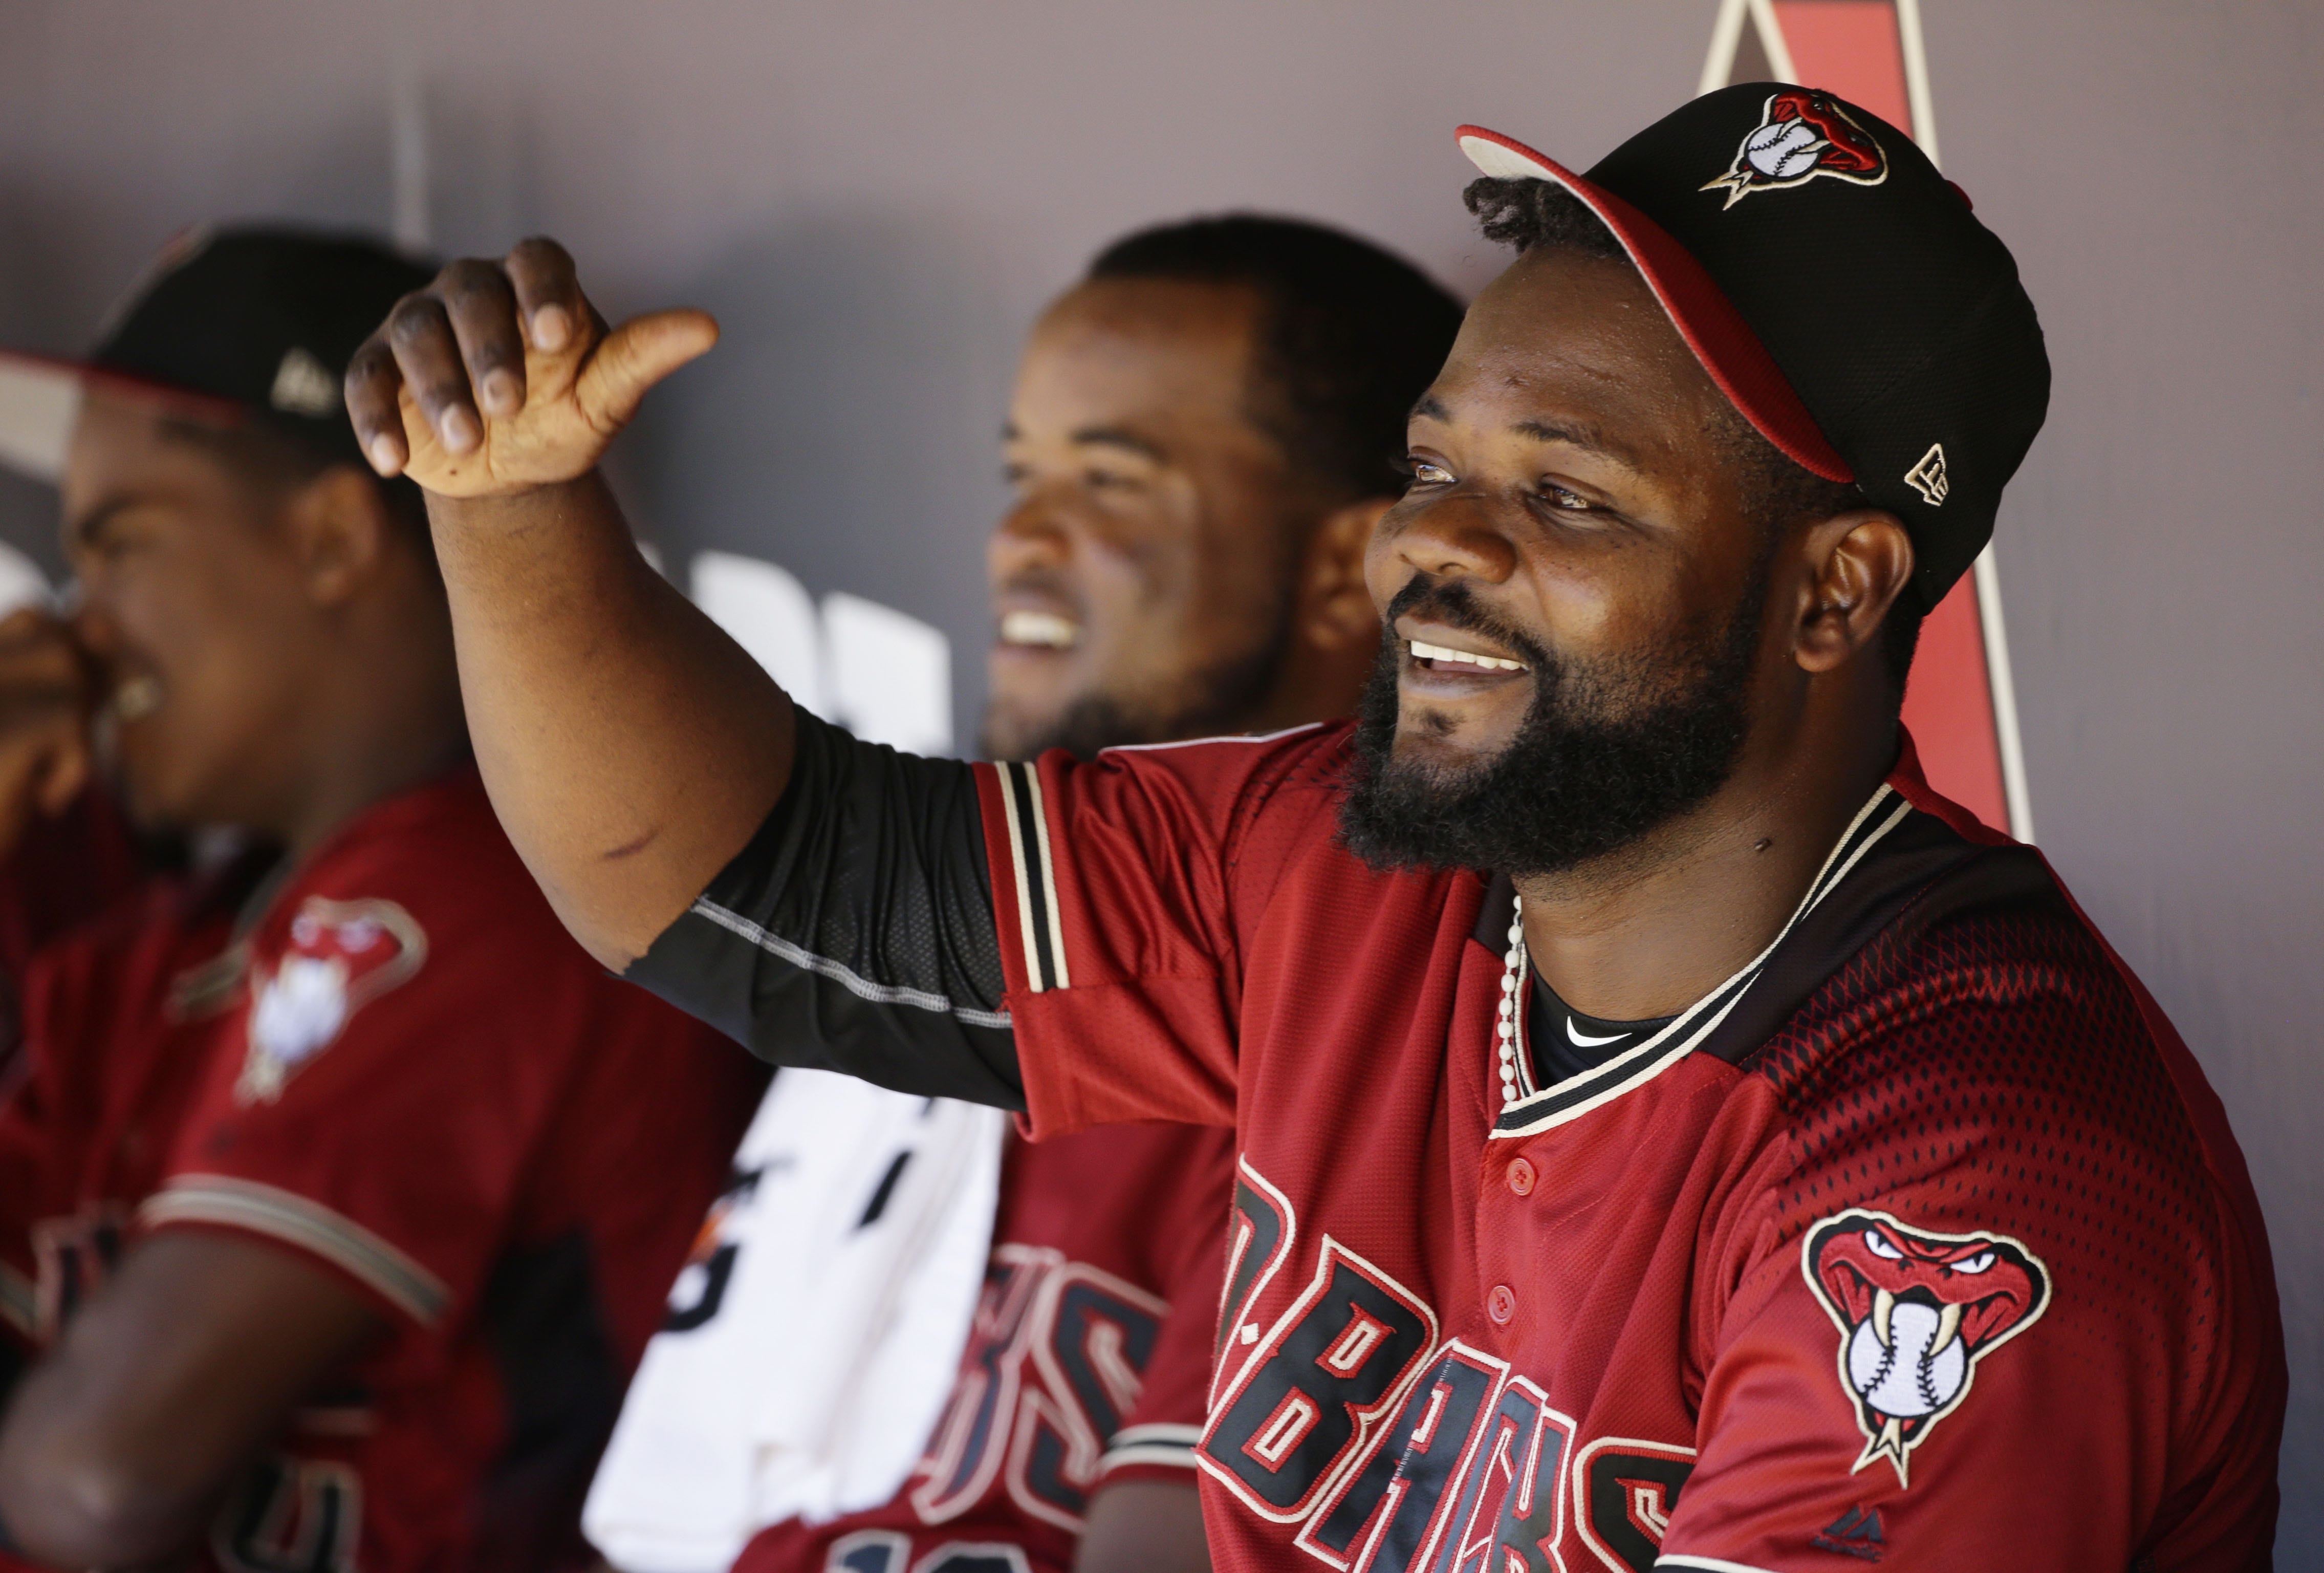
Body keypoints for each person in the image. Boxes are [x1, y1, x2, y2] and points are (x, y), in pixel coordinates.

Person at [346, 84, 2286, 1571]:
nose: (1439, 544)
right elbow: (757, 887)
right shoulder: (1343, 873)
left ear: (1834, 592)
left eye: (1569, 496)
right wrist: (506, 505)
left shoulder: (1966, 1165)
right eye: (1435, 464)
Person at [583, 216, 1463, 1573]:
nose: (1019, 539)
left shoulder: (1376, 993)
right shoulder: (941, 929)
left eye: (1110, 482)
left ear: (1358, 568)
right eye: (1020, 477)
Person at [0, 228, 765, 1571]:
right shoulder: (148, 946)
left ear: (334, 536)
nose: (80, 624)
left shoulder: (483, 887)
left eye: (122, 547)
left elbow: (98, 1478)